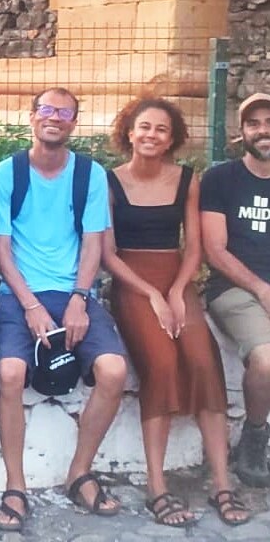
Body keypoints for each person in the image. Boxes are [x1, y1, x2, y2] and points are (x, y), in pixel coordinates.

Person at [0, 87, 127, 532]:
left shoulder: (90, 175)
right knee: (10, 373)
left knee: (114, 371)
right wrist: (29, 305)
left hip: (73, 292)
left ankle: (79, 473)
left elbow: (92, 243)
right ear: (32, 117)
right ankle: (15, 485)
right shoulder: (6, 174)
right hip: (19, 294)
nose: (54, 118)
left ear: (73, 123)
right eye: (46, 109)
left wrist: (80, 299)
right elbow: (0, 249)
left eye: (64, 113)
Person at [103, 98, 247, 526]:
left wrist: (179, 290)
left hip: (176, 277)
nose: (151, 135)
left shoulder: (187, 179)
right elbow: (108, 255)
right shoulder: (109, 181)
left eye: (161, 129)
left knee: (204, 362)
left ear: (172, 139)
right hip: (133, 281)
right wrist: (152, 294)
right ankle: (157, 485)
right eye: (144, 127)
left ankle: (221, 482)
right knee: (163, 364)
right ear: (129, 133)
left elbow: (195, 248)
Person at [201, 92, 270, 495]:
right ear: (242, 132)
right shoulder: (221, 179)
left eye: (269, 122)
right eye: (254, 123)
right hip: (234, 289)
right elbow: (214, 250)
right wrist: (261, 288)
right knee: (265, 360)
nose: (263, 131)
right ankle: (255, 437)